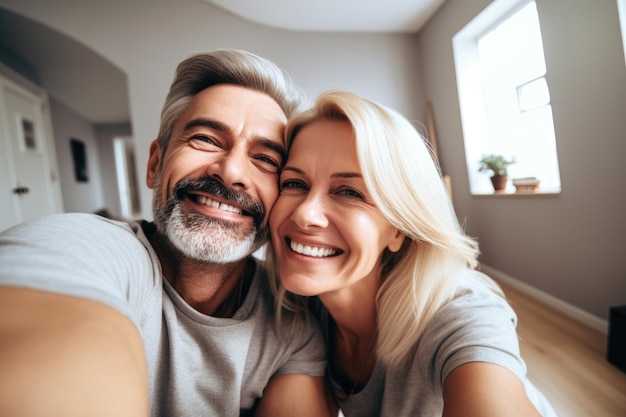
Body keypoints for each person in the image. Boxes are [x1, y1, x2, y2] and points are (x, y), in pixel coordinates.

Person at [0, 49, 333, 417]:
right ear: (155, 164)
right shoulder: (82, 249)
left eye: (266, 160)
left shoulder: (293, 324)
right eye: (205, 139)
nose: (230, 171)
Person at [267, 90, 559, 417]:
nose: (305, 214)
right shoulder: (297, 305)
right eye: (294, 184)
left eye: (349, 192)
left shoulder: (459, 312)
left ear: (398, 229)